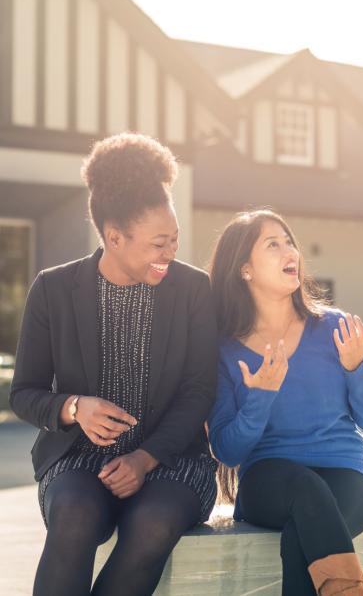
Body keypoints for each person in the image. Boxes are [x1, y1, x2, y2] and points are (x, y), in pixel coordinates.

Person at [10, 133, 219, 596]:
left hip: (172, 460)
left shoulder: (192, 290)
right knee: (75, 516)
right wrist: (73, 407)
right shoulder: (53, 289)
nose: (170, 253)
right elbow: (24, 393)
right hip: (78, 460)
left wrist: (145, 458)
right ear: (113, 237)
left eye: (175, 240)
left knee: (154, 521)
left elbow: (200, 390)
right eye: (157, 244)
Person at [207, 209, 363, 596]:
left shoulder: (335, 328)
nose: (289, 250)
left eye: (289, 241)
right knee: (305, 492)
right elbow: (226, 448)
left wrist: (357, 368)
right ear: (245, 270)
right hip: (268, 481)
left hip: (346, 475)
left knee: (300, 536)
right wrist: (261, 397)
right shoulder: (224, 351)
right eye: (273, 244)